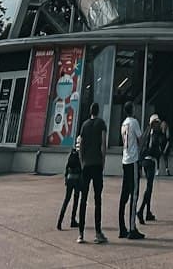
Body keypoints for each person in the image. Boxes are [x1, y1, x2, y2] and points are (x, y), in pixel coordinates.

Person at [76, 102, 109, 245]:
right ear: (98, 111)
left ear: (90, 111)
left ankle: (81, 234)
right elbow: (103, 143)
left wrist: (82, 161)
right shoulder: (101, 123)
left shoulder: (84, 125)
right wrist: (103, 161)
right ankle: (97, 232)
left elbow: (81, 144)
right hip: (96, 164)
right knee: (97, 199)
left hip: (86, 165)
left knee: (83, 199)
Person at [118, 101, 145, 240]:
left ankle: (122, 227)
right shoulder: (134, 122)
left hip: (125, 159)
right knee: (134, 194)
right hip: (133, 160)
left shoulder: (123, 124)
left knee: (124, 194)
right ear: (132, 110)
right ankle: (132, 228)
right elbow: (140, 139)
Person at [137, 114, 161, 225]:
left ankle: (147, 212)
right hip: (150, 161)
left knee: (149, 187)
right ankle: (141, 210)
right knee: (149, 187)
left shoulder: (145, 133)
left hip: (145, 161)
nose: (158, 125)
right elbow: (151, 148)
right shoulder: (153, 134)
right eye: (157, 123)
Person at [57, 145, 82, 231]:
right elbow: (81, 169)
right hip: (77, 179)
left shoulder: (71, 154)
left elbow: (67, 168)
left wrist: (66, 179)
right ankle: (73, 220)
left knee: (66, 200)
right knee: (76, 200)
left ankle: (59, 222)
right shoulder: (80, 155)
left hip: (69, 179)